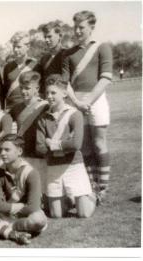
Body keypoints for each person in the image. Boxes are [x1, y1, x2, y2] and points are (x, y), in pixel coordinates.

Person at [62, 10, 113, 203]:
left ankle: (103, 188)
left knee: (99, 143)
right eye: (75, 27)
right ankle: (91, 187)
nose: (77, 31)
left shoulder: (102, 47)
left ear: (92, 27)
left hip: (96, 99)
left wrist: (88, 101)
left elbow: (105, 78)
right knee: (84, 146)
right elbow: (65, 82)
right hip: (76, 101)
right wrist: (76, 102)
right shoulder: (68, 53)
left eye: (81, 27)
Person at [35, 74, 96, 218]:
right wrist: (63, 145)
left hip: (73, 164)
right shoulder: (42, 118)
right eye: (47, 93)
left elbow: (76, 144)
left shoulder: (75, 114)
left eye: (53, 93)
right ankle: (69, 199)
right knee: (56, 214)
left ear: (64, 93)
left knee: (84, 214)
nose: (49, 96)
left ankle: (93, 194)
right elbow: (40, 148)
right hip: (53, 166)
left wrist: (53, 144)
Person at [0, 134, 47, 244]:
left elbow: (33, 207)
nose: (2, 153)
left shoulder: (31, 173)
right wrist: (19, 206)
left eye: (7, 150)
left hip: (25, 215)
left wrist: (11, 210)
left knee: (39, 220)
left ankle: (7, 227)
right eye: (1, 150)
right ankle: (10, 228)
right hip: (3, 214)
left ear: (19, 151)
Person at [13, 71, 49, 195]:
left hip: (39, 154)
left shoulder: (44, 106)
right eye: (21, 88)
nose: (23, 92)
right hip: (23, 153)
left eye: (27, 88)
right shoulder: (16, 108)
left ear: (37, 88)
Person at [3, 31, 39, 119]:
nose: (15, 50)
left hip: (29, 108)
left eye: (19, 47)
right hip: (10, 109)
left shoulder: (36, 65)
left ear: (27, 47)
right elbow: (3, 92)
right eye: (14, 47)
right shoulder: (8, 67)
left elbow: (40, 90)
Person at [38, 21, 66, 97]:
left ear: (60, 36)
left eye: (49, 36)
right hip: (48, 97)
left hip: (63, 97)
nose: (46, 40)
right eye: (45, 37)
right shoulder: (44, 58)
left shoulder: (67, 55)